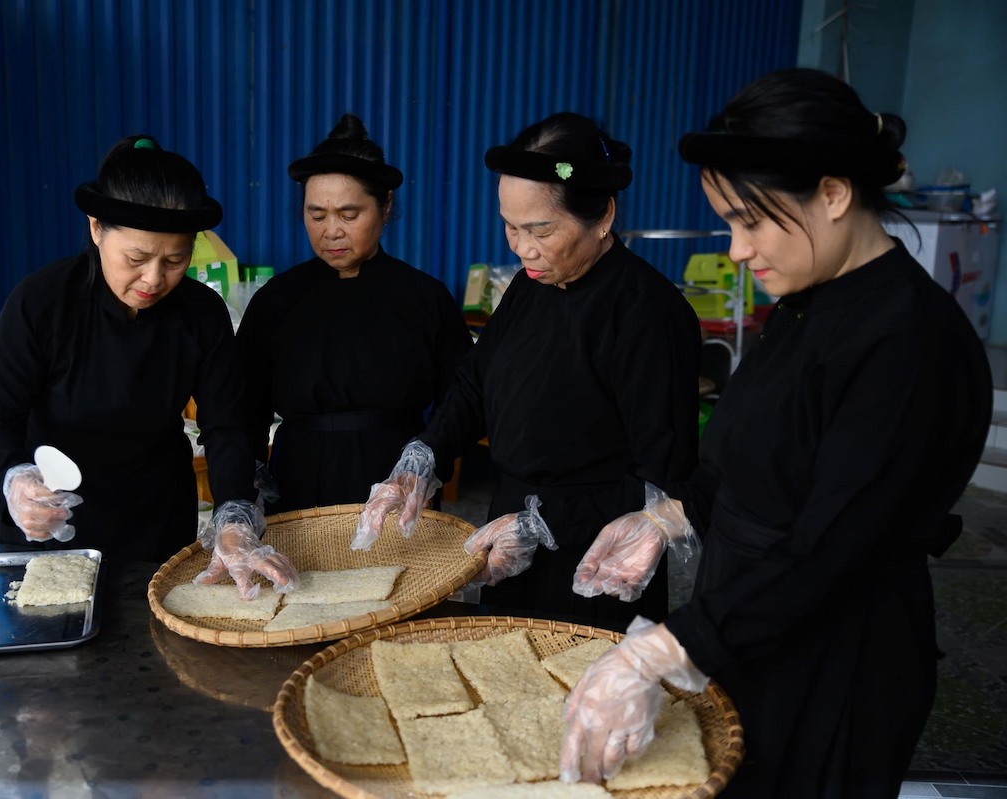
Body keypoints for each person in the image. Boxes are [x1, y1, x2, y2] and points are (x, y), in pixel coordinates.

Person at [560, 68, 993, 797]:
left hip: (836, 665)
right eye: (730, 222)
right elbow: (742, 452)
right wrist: (670, 513)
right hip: (754, 627)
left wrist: (664, 650)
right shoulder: (800, 306)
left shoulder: (908, 342)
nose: (735, 250)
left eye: (751, 221)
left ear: (832, 192)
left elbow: (833, 545)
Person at [352, 112, 702, 629]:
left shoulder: (648, 312)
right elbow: (476, 381)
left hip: (599, 559)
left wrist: (544, 524)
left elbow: (661, 481)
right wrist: (425, 453)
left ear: (602, 214)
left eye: (540, 229)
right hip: (508, 533)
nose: (521, 248)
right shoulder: (530, 287)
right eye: (510, 227)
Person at [0, 134, 297, 596]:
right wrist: (13, 478)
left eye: (175, 260)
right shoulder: (42, 303)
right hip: (53, 515)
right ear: (96, 228)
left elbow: (227, 424)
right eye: (137, 258)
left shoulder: (201, 313)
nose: (153, 279)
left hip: (154, 515)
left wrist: (234, 513)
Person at [235, 114, 472, 514]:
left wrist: (429, 461)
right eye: (316, 215)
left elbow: (464, 396)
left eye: (349, 214)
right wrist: (246, 483)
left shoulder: (424, 297)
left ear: (386, 206)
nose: (331, 231)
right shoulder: (277, 300)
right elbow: (243, 405)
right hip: (298, 482)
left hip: (399, 487)